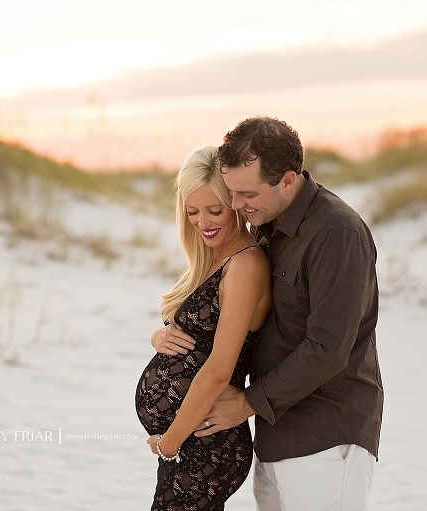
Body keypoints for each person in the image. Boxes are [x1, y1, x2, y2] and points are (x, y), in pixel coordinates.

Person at [153, 117, 384, 510]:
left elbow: (328, 348)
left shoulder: (336, 233)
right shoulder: (266, 226)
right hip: (275, 436)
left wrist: (245, 402)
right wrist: (165, 336)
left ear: (288, 181)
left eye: (246, 193)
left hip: (325, 439)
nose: (236, 205)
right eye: (232, 193)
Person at [135, 146, 272, 510]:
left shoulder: (245, 266)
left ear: (237, 205)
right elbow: (193, 335)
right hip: (190, 442)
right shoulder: (212, 258)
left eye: (215, 211)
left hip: (208, 445)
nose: (203, 222)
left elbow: (218, 370)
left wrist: (170, 442)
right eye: (192, 212)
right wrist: (159, 335)